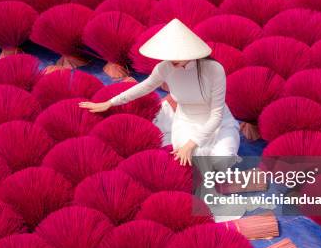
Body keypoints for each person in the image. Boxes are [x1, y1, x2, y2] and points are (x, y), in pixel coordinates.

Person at [79, 18, 240, 167]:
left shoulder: (213, 70)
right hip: (186, 124)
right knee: (192, 162)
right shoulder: (165, 67)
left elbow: (216, 115)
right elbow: (144, 87)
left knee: (220, 161)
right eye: (168, 56)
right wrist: (110, 102)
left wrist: (191, 144)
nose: (171, 60)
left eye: (176, 56)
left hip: (219, 124)